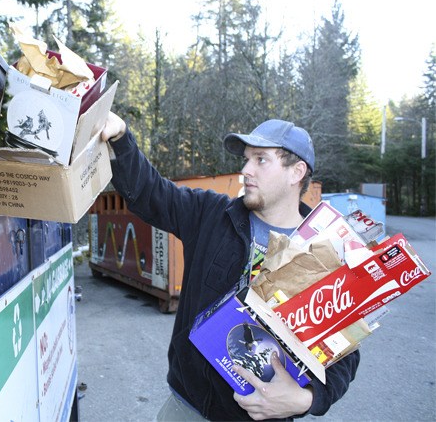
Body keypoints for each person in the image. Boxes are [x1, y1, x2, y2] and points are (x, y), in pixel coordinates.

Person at [100, 114, 360, 421]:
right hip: (185, 409)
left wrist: (306, 399)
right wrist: (120, 138)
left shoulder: (326, 254)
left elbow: (344, 354)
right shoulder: (212, 215)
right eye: (247, 159)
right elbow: (150, 192)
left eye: (261, 160)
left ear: (297, 172)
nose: (246, 170)